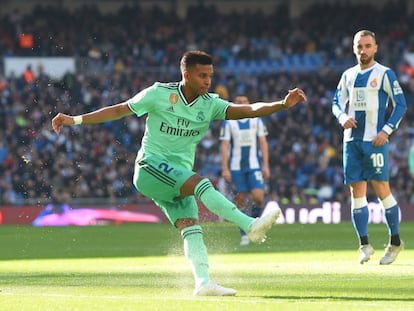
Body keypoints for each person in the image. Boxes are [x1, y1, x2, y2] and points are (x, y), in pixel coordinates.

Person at [52, 50, 307, 296]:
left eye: (210, 76)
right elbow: (120, 109)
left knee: (190, 227)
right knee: (200, 183)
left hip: (176, 176)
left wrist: (282, 104)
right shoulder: (159, 93)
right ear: (186, 75)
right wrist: (75, 120)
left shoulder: (210, 104)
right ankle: (249, 225)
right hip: (150, 167)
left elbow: (249, 110)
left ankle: (203, 283)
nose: (208, 81)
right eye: (202, 76)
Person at [332, 30, 407, 265]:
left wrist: (386, 131)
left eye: (367, 46)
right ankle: (364, 245)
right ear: (354, 48)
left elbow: (401, 105)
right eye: (359, 46)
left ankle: (395, 242)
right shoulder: (347, 75)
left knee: (382, 189)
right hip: (351, 141)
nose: (363, 50)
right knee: (357, 193)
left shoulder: (385, 73)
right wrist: (342, 117)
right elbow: (335, 103)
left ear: (376, 48)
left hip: (374, 141)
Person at [220, 95, 270, 246]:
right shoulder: (229, 123)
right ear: (235, 104)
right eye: (239, 102)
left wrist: (266, 165)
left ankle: (255, 224)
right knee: (240, 200)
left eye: (244, 101)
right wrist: (225, 168)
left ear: (249, 103)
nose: (242, 103)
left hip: (254, 166)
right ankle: (244, 234)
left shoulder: (256, 120)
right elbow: (225, 146)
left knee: (259, 198)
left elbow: (263, 142)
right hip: (236, 168)